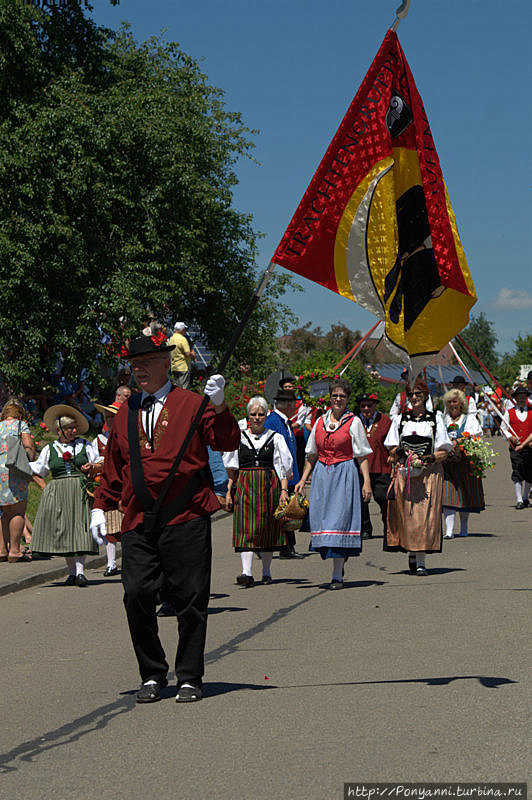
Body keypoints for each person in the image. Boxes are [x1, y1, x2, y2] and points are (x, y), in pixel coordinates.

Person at [90, 334, 239, 704]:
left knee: (190, 599)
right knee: (137, 594)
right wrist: (99, 505)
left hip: (185, 515)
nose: (137, 369)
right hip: (139, 519)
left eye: (146, 362)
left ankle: (189, 675)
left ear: (165, 363)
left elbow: (226, 441)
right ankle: (152, 672)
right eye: (133, 364)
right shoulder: (126, 411)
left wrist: (219, 406)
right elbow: (114, 465)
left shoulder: (192, 404)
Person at [295, 378, 372, 589]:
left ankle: (337, 574)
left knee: (340, 521)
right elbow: (311, 454)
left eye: (343, 396)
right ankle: (338, 562)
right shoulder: (320, 421)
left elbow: (362, 456)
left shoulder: (354, 422)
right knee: (323, 521)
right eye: (335, 395)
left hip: (345, 474)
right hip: (322, 476)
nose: (338, 399)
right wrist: (303, 480)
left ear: (348, 399)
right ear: (330, 397)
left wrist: (366, 483)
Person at [384, 378, 452, 575]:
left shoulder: (435, 419)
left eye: (418, 394)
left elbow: (445, 450)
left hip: (428, 474)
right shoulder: (400, 419)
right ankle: (412, 553)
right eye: (411, 394)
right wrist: (403, 453)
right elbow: (391, 445)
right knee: (408, 514)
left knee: (423, 516)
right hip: (405, 474)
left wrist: (428, 458)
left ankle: (421, 560)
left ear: (425, 396)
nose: (414, 398)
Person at [224, 396, 293, 586]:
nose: (257, 418)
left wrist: (284, 491)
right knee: (246, 527)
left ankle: (266, 571)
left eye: (261, 414)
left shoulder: (275, 438)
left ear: (266, 415)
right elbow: (231, 468)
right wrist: (228, 491)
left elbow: (282, 467)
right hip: (245, 485)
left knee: (267, 526)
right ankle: (246, 572)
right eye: (253, 414)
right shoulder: (238, 438)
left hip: (268, 485)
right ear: (248, 416)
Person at [29, 405, 100, 585]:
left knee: (81, 529)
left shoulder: (85, 445)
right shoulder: (50, 449)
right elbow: (37, 469)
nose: (73, 431)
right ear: (59, 430)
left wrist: (91, 468)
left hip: (80, 490)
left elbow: (99, 462)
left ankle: (81, 572)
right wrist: (45, 487)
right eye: (69, 428)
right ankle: (71, 572)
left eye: (74, 428)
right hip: (59, 491)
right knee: (64, 530)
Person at [441, 389, 485, 538]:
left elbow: (475, 436)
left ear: (461, 404)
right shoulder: (442, 419)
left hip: (465, 463)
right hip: (447, 463)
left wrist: (457, 442)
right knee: (447, 495)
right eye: (450, 402)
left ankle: (464, 528)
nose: (452, 405)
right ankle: (449, 531)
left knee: (465, 495)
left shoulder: (469, 419)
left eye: (455, 401)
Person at [264, 388, 303, 559]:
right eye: (294, 403)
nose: (295, 406)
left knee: (288, 509)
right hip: (280, 474)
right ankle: (283, 546)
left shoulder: (285, 422)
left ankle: (287, 546)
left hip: (289, 473)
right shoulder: (274, 421)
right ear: (288, 404)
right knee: (283, 510)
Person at [0, 398, 35, 562]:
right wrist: (29, 457)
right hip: (14, 471)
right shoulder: (21, 425)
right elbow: (28, 446)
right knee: (17, 511)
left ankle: (2, 550)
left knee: (4, 513)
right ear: (20, 413)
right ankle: (14, 550)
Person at [92, 403, 122, 576]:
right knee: (109, 527)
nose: (109, 420)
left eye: (112, 417)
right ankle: (111, 563)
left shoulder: (127, 437)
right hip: (108, 485)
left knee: (128, 525)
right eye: (107, 417)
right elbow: (95, 460)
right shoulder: (99, 440)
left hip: (124, 485)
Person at [358, 393, 392, 539]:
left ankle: (389, 526)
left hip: (381, 466)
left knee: (382, 497)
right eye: (363, 406)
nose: (366, 408)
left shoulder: (385, 421)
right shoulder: (355, 420)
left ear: (375, 405)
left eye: (369, 405)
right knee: (361, 500)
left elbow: (392, 441)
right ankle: (365, 528)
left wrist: (393, 454)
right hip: (360, 468)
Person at [501, 386, 532, 509]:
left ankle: (525, 497)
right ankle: (518, 499)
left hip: (530, 447)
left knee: (530, 472)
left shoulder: (531, 411)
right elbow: (503, 428)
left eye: (524, 396)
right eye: (519, 396)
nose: (521, 398)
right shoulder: (509, 412)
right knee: (517, 470)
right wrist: (511, 437)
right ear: (515, 398)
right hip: (515, 447)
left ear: (526, 397)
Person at [169, 322, 194, 389]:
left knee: (177, 389)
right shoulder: (182, 339)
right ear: (182, 330)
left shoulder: (171, 339)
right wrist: (192, 354)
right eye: (184, 329)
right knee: (184, 389)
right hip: (183, 367)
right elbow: (187, 354)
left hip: (174, 367)